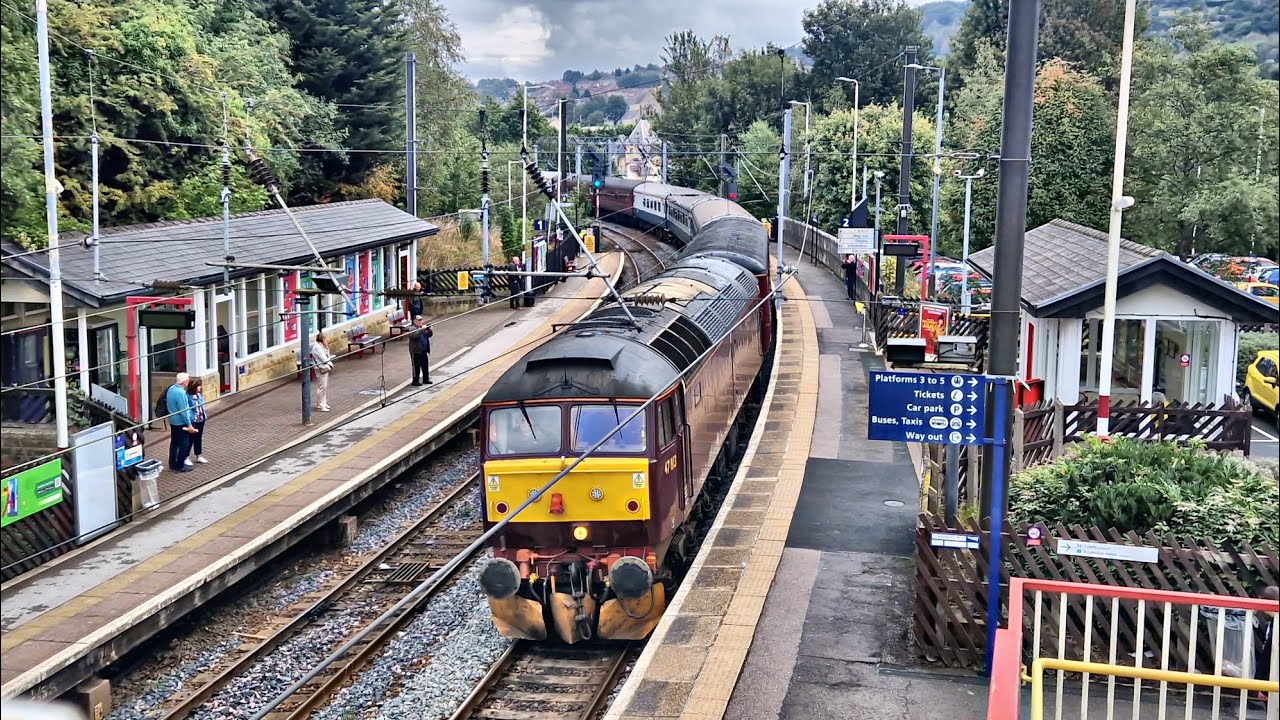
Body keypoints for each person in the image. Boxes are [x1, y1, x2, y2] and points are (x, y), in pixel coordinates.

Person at [165, 372, 196, 472]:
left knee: (174, 443)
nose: (188, 382)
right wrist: (189, 425)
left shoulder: (171, 389)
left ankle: (172, 464)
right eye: (187, 381)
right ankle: (179, 466)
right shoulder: (181, 393)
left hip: (172, 421)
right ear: (184, 382)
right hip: (180, 422)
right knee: (184, 444)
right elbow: (184, 411)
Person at [186, 378, 208, 465]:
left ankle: (198, 455)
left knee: (198, 438)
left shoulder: (199, 395)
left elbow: (202, 405)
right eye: (199, 386)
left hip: (201, 419)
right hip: (193, 420)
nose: (200, 388)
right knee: (190, 439)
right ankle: (186, 457)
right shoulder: (188, 397)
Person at [408, 316, 433, 386]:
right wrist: (422, 329)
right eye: (419, 320)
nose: (420, 322)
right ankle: (415, 380)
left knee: (425, 365)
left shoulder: (423, 328)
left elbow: (428, 335)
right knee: (416, 366)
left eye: (421, 320)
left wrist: (430, 330)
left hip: (424, 350)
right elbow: (414, 336)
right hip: (416, 351)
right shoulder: (412, 329)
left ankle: (426, 378)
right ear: (415, 321)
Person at [311, 332, 334, 412]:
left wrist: (327, 347)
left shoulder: (321, 346)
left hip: (324, 368)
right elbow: (324, 358)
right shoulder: (317, 347)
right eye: (325, 339)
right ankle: (321, 405)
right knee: (322, 387)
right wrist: (330, 363)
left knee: (324, 386)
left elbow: (327, 355)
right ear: (322, 339)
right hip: (320, 368)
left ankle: (323, 403)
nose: (326, 340)